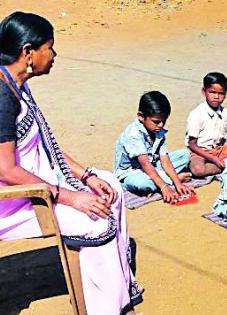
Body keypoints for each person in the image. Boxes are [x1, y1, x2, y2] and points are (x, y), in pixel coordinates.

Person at [0, 12, 142, 314]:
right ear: (28, 52)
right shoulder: (2, 95)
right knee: (97, 219)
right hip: (17, 201)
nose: (53, 55)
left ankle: (119, 296)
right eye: (49, 47)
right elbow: (6, 169)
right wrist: (71, 197)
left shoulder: (16, 84)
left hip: (37, 184)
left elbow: (47, 148)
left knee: (111, 187)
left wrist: (87, 176)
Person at [115, 91, 194, 203]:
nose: (161, 125)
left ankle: (167, 179)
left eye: (164, 121)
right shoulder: (133, 135)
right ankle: (165, 180)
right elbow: (145, 164)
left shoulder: (158, 130)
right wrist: (164, 188)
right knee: (142, 183)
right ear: (141, 116)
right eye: (156, 122)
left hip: (153, 165)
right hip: (132, 172)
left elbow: (165, 160)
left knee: (185, 155)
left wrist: (177, 183)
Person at [186, 72, 227, 177]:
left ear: (225, 95)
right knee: (198, 170)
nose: (216, 97)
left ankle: (223, 164)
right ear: (204, 92)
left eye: (221, 93)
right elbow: (192, 144)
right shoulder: (197, 114)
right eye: (212, 92)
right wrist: (213, 159)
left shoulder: (225, 113)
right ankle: (226, 166)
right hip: (200, 152)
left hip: (220, 150)